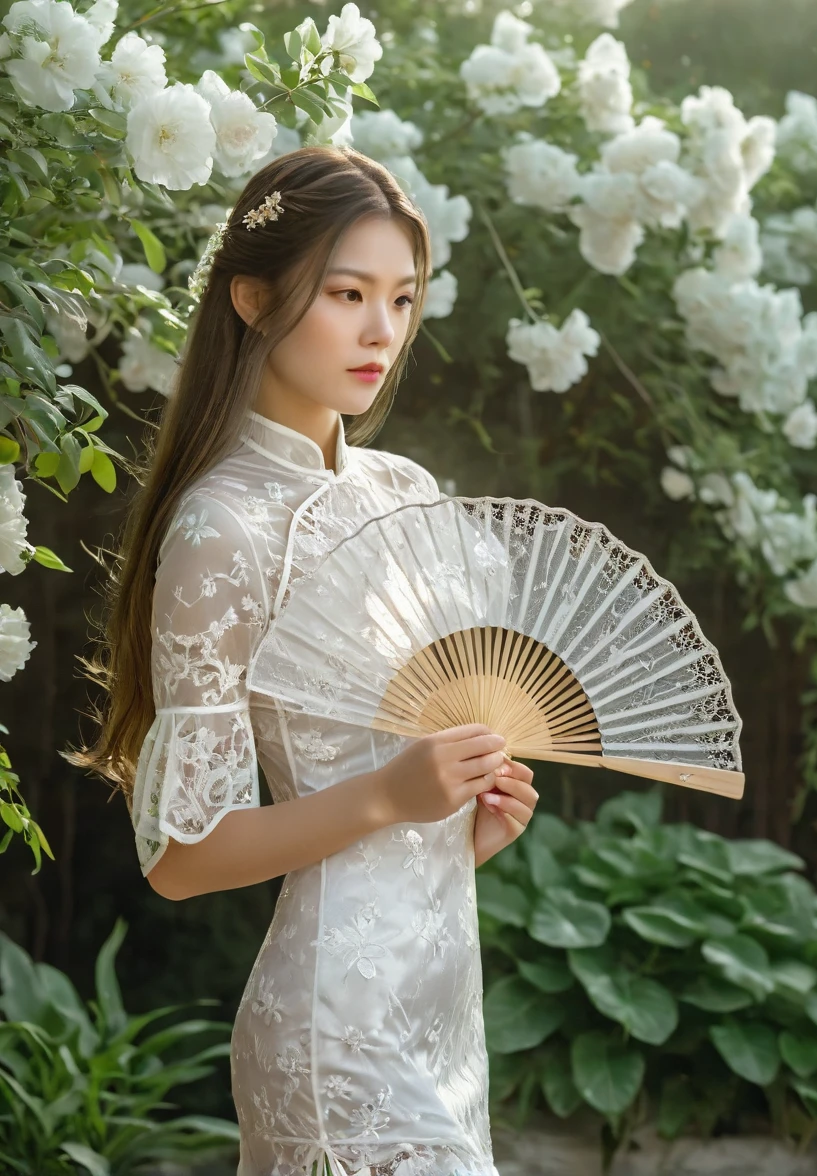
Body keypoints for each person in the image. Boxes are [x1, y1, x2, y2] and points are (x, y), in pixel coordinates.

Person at [69, 144, 538, 1176]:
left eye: (404, 298)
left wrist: (465, 821)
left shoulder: (405, 490)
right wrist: (385, 797)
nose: (382, 331)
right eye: (348, 293)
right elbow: (183, 858)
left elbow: (393, 830)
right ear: (253, 298)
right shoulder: (220, 529)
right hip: (335, 1040)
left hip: (441, 1009)